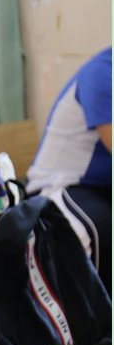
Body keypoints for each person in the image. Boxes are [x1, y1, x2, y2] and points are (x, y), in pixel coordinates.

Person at [26, 47, 112, 294]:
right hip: (57, 187)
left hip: (99, 189)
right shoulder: (102, 72)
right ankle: (97, 316)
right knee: (104, 228)